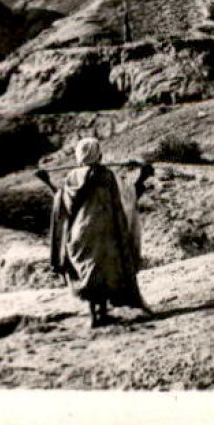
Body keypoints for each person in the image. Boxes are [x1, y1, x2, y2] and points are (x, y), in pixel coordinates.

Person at [35, 137, 155, 328]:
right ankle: (102, 314)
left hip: (80, 234)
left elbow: (61, 201)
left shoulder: (72, 178)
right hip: (105, 233)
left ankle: (96, 316)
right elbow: (128, 196)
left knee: (89, 272)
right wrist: (142, 176)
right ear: (99, 154)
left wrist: (47, 181)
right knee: (103, 271)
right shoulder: (106, 175)